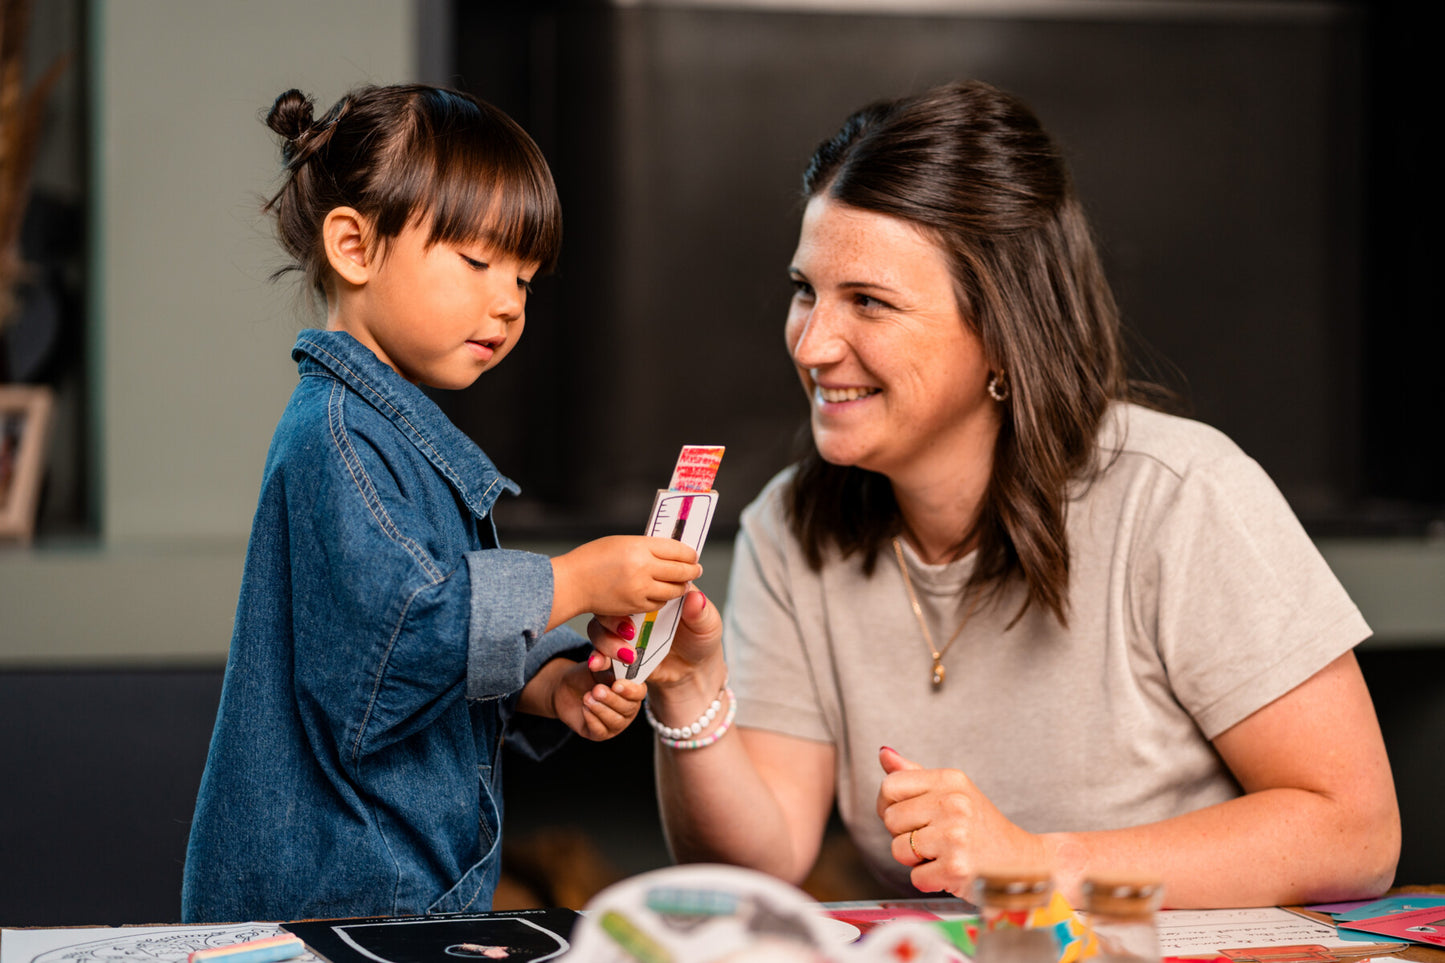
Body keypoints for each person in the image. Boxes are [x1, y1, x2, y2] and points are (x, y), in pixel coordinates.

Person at [613, 80, 1399, 909]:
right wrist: (686, 693)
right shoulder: (789, 523)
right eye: (806, 289)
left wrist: (1033, 863)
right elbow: (760, 862)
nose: (811, 344)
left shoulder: (1180, 494)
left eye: (868, 301)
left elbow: (1355, 832)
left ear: (1000, 330)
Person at [182, 84, 702, 922]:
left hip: (391, 893)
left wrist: (549, 683)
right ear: (354, 246)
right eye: (477, 262)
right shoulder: (339, 439)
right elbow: (402, 639)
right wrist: (572, 580)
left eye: (524, 279)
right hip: (340, 904)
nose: (508, 302)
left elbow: (431, 640)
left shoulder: (389, 431)